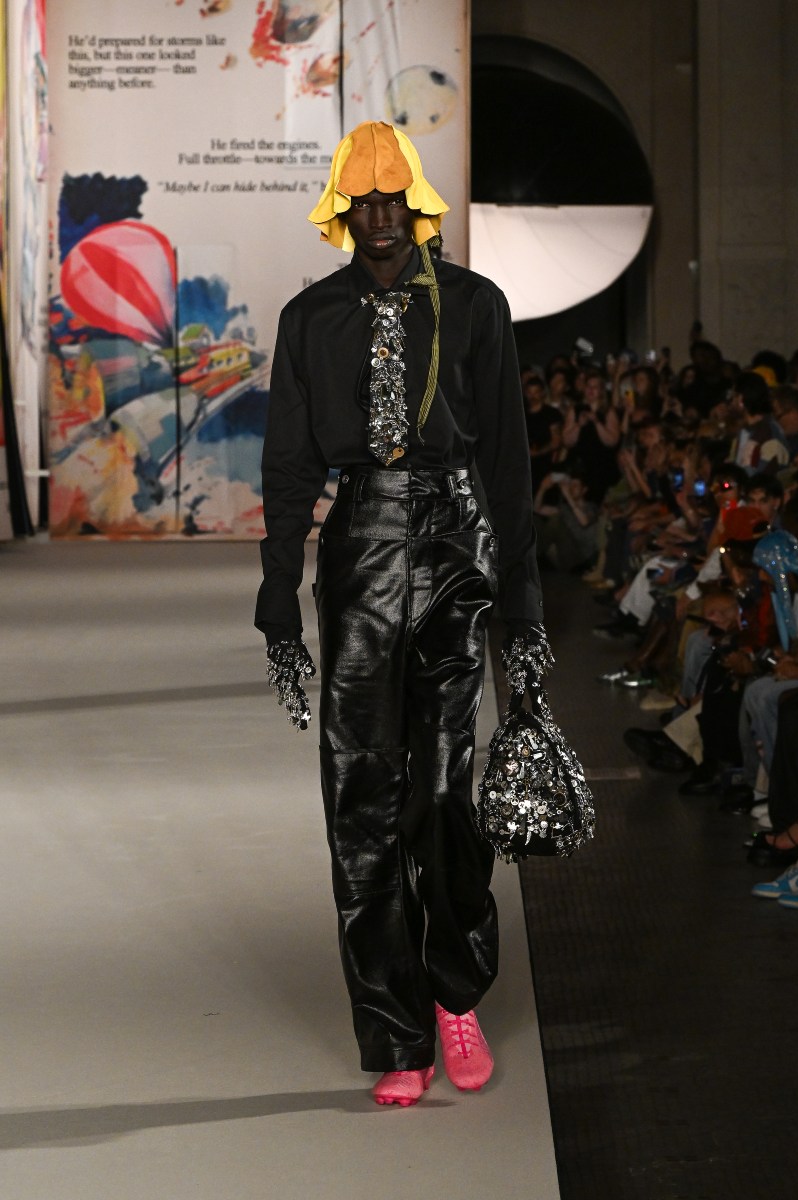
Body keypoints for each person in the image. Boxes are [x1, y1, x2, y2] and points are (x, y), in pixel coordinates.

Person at [254, 121, 552, 1108]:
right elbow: (289, 466)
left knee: (443, 787)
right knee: (360, 794)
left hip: (457, 547)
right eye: (363, 201)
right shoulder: (309, 319)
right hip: (358, 551)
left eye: (394, 199)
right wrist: (277, 598)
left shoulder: (474, 305)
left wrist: (522, 607)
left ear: (415, 205)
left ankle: (455, 993)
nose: (379, 217)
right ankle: (396, 1031)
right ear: (342, 210)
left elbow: (506, 459)